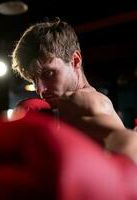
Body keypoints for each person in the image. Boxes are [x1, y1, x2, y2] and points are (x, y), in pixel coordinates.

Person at [11, 18, 137, 163]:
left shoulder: (78, 102)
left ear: (75, 60)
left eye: (48, 73)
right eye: (33, 80)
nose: (40, 90)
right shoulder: (65, 109)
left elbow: (131, 145)